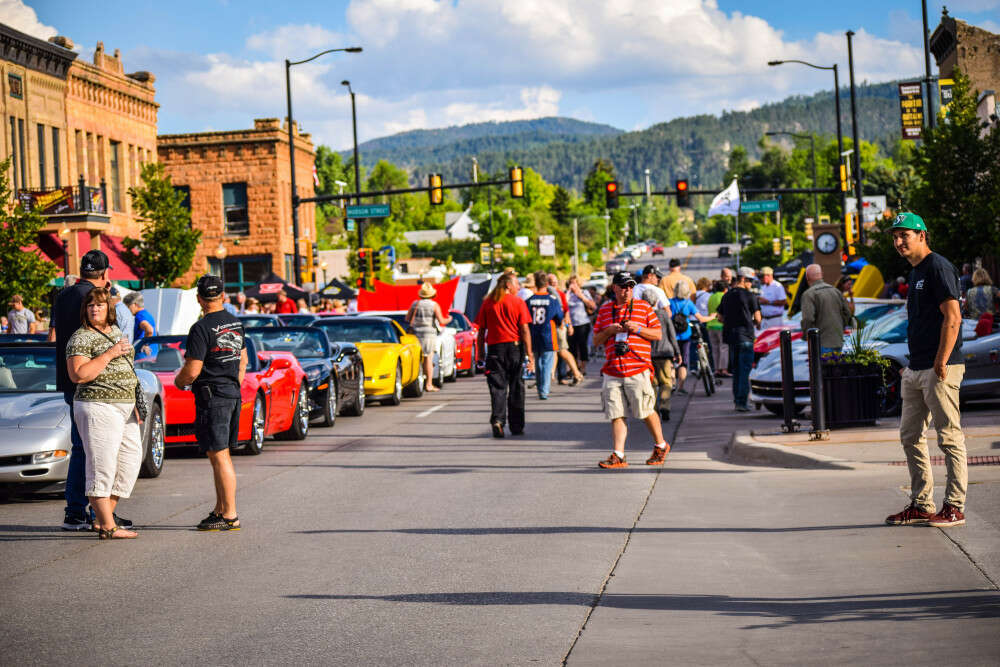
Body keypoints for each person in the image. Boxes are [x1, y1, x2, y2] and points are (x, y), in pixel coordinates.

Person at [884, 213, 967, 528]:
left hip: (939, 368)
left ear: (922, 235)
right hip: (916, 367)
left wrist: (941, 361)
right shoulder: (917, 271)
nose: (899, 242)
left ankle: (955, 506)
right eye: (895, 237)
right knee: (910, 436)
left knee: (949, 437)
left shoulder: (937, 267)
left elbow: (953, 317)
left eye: (905, 235)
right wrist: (911, 366)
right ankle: (922, 504)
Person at [50, 250, 135, 531]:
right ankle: (84, 512)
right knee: (94, 449)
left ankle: (87, 511)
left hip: (68, 377)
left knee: (84, 447)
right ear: (104, 274)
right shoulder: (95, 299)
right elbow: (112, 330)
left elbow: (53, 336)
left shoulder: (62, 296)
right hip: (93, 383)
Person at [66, 287, 142, 540]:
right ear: (85, 310)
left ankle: (103, 517)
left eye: (99, 304)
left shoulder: (116, 331)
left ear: (110, 308)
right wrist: (109, 354)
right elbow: (78, 374)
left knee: (130, 462)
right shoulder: (81, 337)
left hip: (125, 406)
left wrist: (135, 402)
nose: (95, 308)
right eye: (90, 305)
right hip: (98, 405)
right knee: (102, 466)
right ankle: (109, 526)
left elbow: (128, 368)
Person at [174, 275, 248, 532]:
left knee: (220, 455)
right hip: (231, 393)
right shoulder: (236, 323)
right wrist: (233, 384)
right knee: (219, 454)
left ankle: (230, 514)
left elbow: (192, 369)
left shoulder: (201, 328)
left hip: (213, 395)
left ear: (199, 299)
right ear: (224, 297)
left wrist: (179, 381)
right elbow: (242, 361)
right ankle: (220, 509)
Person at [593, 271, 669, 468]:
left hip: (637, 367)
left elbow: (658, 334)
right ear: (614, 288)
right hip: (612, 369)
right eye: (623, 286)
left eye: (630, 286)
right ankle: (618, 455)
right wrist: (609, 331)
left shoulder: (643, 307)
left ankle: (660, 445)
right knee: (616, 413)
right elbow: (595, 341)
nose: (627, 290)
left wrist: (637, 328)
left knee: (645, 410)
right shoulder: (605, 310)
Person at [475, 273, 534, 438]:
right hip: (514, 349)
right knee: (516, 387)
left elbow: (481, 331)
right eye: (517, 284)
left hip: (495, 349)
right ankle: (516, 425)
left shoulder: (488, 303)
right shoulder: (518, 302)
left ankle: (498, 421)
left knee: (497, 388)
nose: (519, 288)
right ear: (508, 285)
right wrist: (530, 355)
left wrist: (480, 354)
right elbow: (524, 330)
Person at [716, 267, 761, 412]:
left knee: (736, 370)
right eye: (750, 281)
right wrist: (753, 323)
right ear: (743, 279)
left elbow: (720, 317)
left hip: (731, 336)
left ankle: (737, 401)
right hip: (746, 336)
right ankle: (742, 402)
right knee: (745, 370)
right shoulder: (750, 296)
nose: (751, 284)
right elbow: (758, 318)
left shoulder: (727, 295)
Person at [668, 280, 714, 393]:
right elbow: (701, 319)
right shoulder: (689, 304)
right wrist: (712, 317)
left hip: (672, 335)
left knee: (672, 361)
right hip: (685, 336)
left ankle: (672, 384)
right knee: (683, 361)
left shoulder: (670, 302)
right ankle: (681, 387)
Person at [525, 271, 564, 400]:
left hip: (533, 335)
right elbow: (559, 317)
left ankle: (541, 388)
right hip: (548, 335)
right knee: (547, 363)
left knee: (538, 362)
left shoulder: (529, 301)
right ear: (547, 284)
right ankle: (544, 390)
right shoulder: (552, 300)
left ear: (535, 283)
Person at [642, 286, 679, 421]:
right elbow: (671, 334)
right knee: (666, 382)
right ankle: (665, 405)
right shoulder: (663, 314)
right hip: (665, 352)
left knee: (653, 383)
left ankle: (654, 409)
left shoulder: (642, 316)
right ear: (656, 301)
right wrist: (677, 351)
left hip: (649, 354)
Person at [800, 264, 853, 355]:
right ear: (821, 274)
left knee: (821, 368)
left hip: (821, 342)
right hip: (838, 341)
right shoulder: (835, 291)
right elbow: (847, 313)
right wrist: (839, 328)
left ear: (807, 277)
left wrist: (807, 336)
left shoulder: (809, 294)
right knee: (835, 368)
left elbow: (808, 319)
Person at [407, 282, 449, 393]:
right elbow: (441, 321)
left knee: (416, 358)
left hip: (415, 334)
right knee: (428, 359)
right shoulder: (434, 305)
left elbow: (407, 318)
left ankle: (416, 381)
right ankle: (429, 384)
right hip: (429, 335)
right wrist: (449, 319)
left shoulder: (415, 304)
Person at [547, 273, 583, 385]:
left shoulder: (559, 294)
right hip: (552, 327)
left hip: (559, 326)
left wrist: (569, 325)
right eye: (551, 282)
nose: (554, 284)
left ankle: (576, 373)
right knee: (555, 351)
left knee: (562, 350)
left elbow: (566, 311)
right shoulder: (548, 293)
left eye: (555, 282)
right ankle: (550, 375)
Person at [566, 274, 596, 372]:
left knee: (582, 346)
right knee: (572, 347)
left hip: (583, 323)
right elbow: (563, 305)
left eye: (575, 283)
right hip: (571, 324)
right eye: (571, 283)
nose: (573, 285)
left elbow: (593, 306)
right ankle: (575, 367)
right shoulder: (567, 294)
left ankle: (583, 367)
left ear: (579, 284)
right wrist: (569, 292)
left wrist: (580, 296)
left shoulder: (584, 292)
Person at [707, 280, 729, 377]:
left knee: (715, 348)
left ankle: (716, 369)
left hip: (711, 325)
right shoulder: (724, 297)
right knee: (723, 348)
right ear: (725, 289)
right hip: (721, 325)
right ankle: (723, 369)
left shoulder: (711, 297)